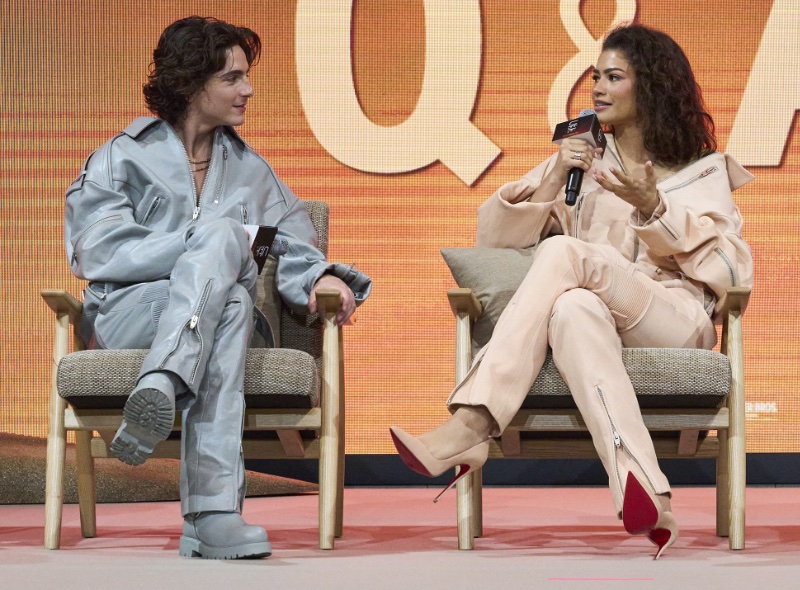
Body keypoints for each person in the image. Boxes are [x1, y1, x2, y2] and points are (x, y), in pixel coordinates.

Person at [390, 23, 753, 559]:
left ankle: (471, 421)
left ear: (649, 86)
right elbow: (492, 242)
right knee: (574, 306)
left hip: (675, 319)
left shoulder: (699, 172)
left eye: (613, 76)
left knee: (562, 254)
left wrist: (655, 207)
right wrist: (556, 175)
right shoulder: (583, 164)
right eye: (595, 78)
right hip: (597, 325)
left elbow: (734, 271)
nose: (597, 89)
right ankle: (646, 488)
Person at [64, 16, 371, 560]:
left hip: (221, 324)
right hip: (131, 314)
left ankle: (164, 381)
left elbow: (297, 243)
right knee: (224, 255)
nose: (247, 89)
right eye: (232, 78)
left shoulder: (253, 171)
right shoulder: (122, 156)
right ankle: (212, 514)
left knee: (229, 302)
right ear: (192, 83)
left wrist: (320, 276)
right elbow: (99, 251)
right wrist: (206, 239)